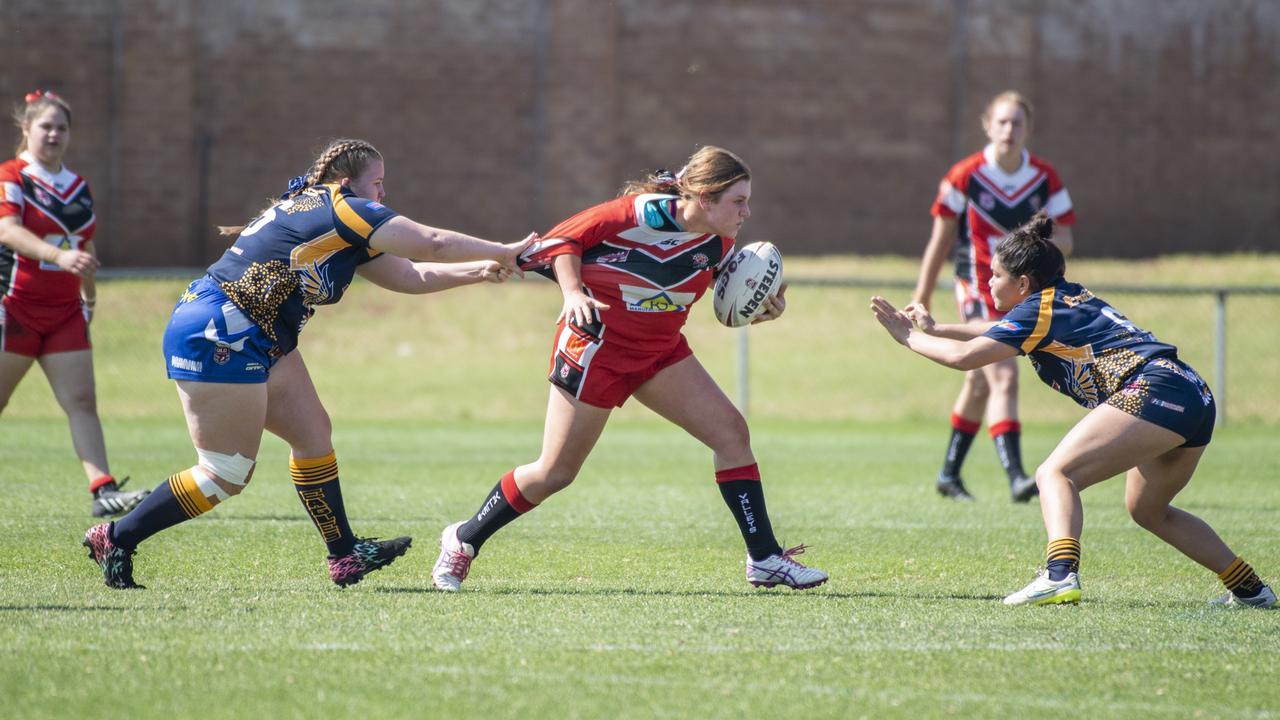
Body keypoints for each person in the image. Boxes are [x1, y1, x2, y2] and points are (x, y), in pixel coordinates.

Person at [82, 138, 535, 589]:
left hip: (257, 332)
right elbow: (431, 244)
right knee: (224, 473)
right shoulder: (343, 207)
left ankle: (344, 554)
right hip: (219, 330)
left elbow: (410, 275)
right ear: (346, 182)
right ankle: (116, 537)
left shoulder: (333, 217)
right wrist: (501, 249)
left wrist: (479, 270)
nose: (382, 195)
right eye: (377, 183)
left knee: (313, 434)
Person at [430, 145, 827, 592]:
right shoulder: (637, 213)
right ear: (704, 197)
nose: (747, 211)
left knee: (732, 434)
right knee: (555, 473)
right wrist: (573, 292)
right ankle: (462, 541)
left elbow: (720, 288)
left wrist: (759, 307)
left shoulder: (720, 241)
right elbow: (561, 241)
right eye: (738, 201)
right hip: (597, 348)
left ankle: (765, 558)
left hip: (660, 353)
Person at [871, 213, 1275, 608]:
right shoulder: (1063, 296)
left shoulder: (1037, 311)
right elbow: (1000, 330)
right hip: (1191, 393)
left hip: (1151, 390)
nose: (989, 282)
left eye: (995, 275)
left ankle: (1059, 575)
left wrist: (908, 338)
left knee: (1054, 473)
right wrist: (937, 329)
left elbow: (964, 358)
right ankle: (1250, 588)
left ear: (1023, 283)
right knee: (1147, 510)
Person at [911, 90, 1075, 502]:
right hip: (977, 285)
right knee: (1001, 373)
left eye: (1016, 122)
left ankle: (949, 474)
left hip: (1022, 292)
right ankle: (1018, 476)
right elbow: (939, 241)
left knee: (980, 383)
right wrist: (922, 295)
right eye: (1001, 122)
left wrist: (1035, 256)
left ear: (1028, 129)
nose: (1008, 130)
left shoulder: (1044, 177)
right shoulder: (964, 175)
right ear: (987, 126)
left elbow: (1067, 238)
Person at [0, 90, 149, 517]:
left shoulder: (78, 186)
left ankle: (102, 490)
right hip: (15, 307)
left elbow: (83, 247)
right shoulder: (13, 175)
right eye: (45, 126)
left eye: (61, 128)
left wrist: (89, 298)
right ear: (26, 129)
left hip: (65, 311)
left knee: (82, 401)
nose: (53, 134)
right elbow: (7, 231)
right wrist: (58, 257)